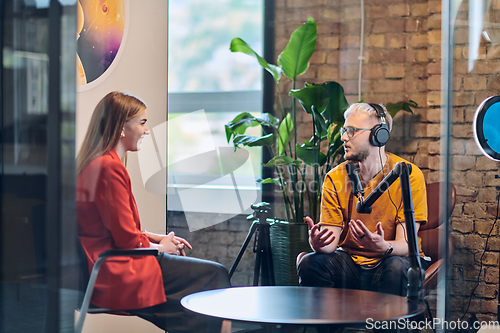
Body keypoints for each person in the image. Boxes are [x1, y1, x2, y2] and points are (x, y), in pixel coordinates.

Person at [76, 91, 231, 333]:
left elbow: (115, 228)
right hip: (114, 270)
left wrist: (154, 238)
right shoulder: (108, 168)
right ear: (121, 128)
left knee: (200, 294)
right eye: (142, 123)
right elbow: (126, 240)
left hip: (109, 262)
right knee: (215, 275)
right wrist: (161, 248)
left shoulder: (99, 163)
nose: (147, 130)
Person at [297, 102, 430, 297]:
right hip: (350, 263)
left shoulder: (407, 175)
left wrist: (384, 246)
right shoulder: (335, 178)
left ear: (378, 135)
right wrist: (318, 243)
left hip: (390, 260)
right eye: (344, 130)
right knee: (311, 263)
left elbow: (406, 244)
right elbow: (331, 243)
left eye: (351, 131)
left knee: (395, 268)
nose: (343, 137)